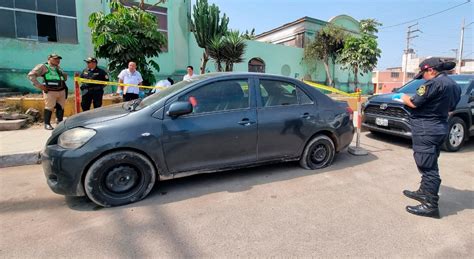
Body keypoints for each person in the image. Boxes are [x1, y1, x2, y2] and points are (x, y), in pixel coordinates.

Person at [392, 58, 461, 218]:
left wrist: (402, 97)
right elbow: (451, 109)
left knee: (427, 166)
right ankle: (423, 191)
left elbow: (414, 102)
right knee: (430, 160)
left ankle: (430, 205)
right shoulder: (454, 86)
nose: (422, 77)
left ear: (431, 70)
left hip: (426, 130)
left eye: (423, 73)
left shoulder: (432, 84)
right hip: (440, 127)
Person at [28, 53, 68, 130]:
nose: (58, 60)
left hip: (61, 90)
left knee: (61, 107)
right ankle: (47, 124)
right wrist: (40, 86)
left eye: (59, 59)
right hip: (50, 91)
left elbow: (64, 78)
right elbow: (31, 75)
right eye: (55, 59)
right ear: (49, 59)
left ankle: (59, 122)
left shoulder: (58, 68)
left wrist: (63, 74)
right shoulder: (43, 66)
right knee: (49, 107)